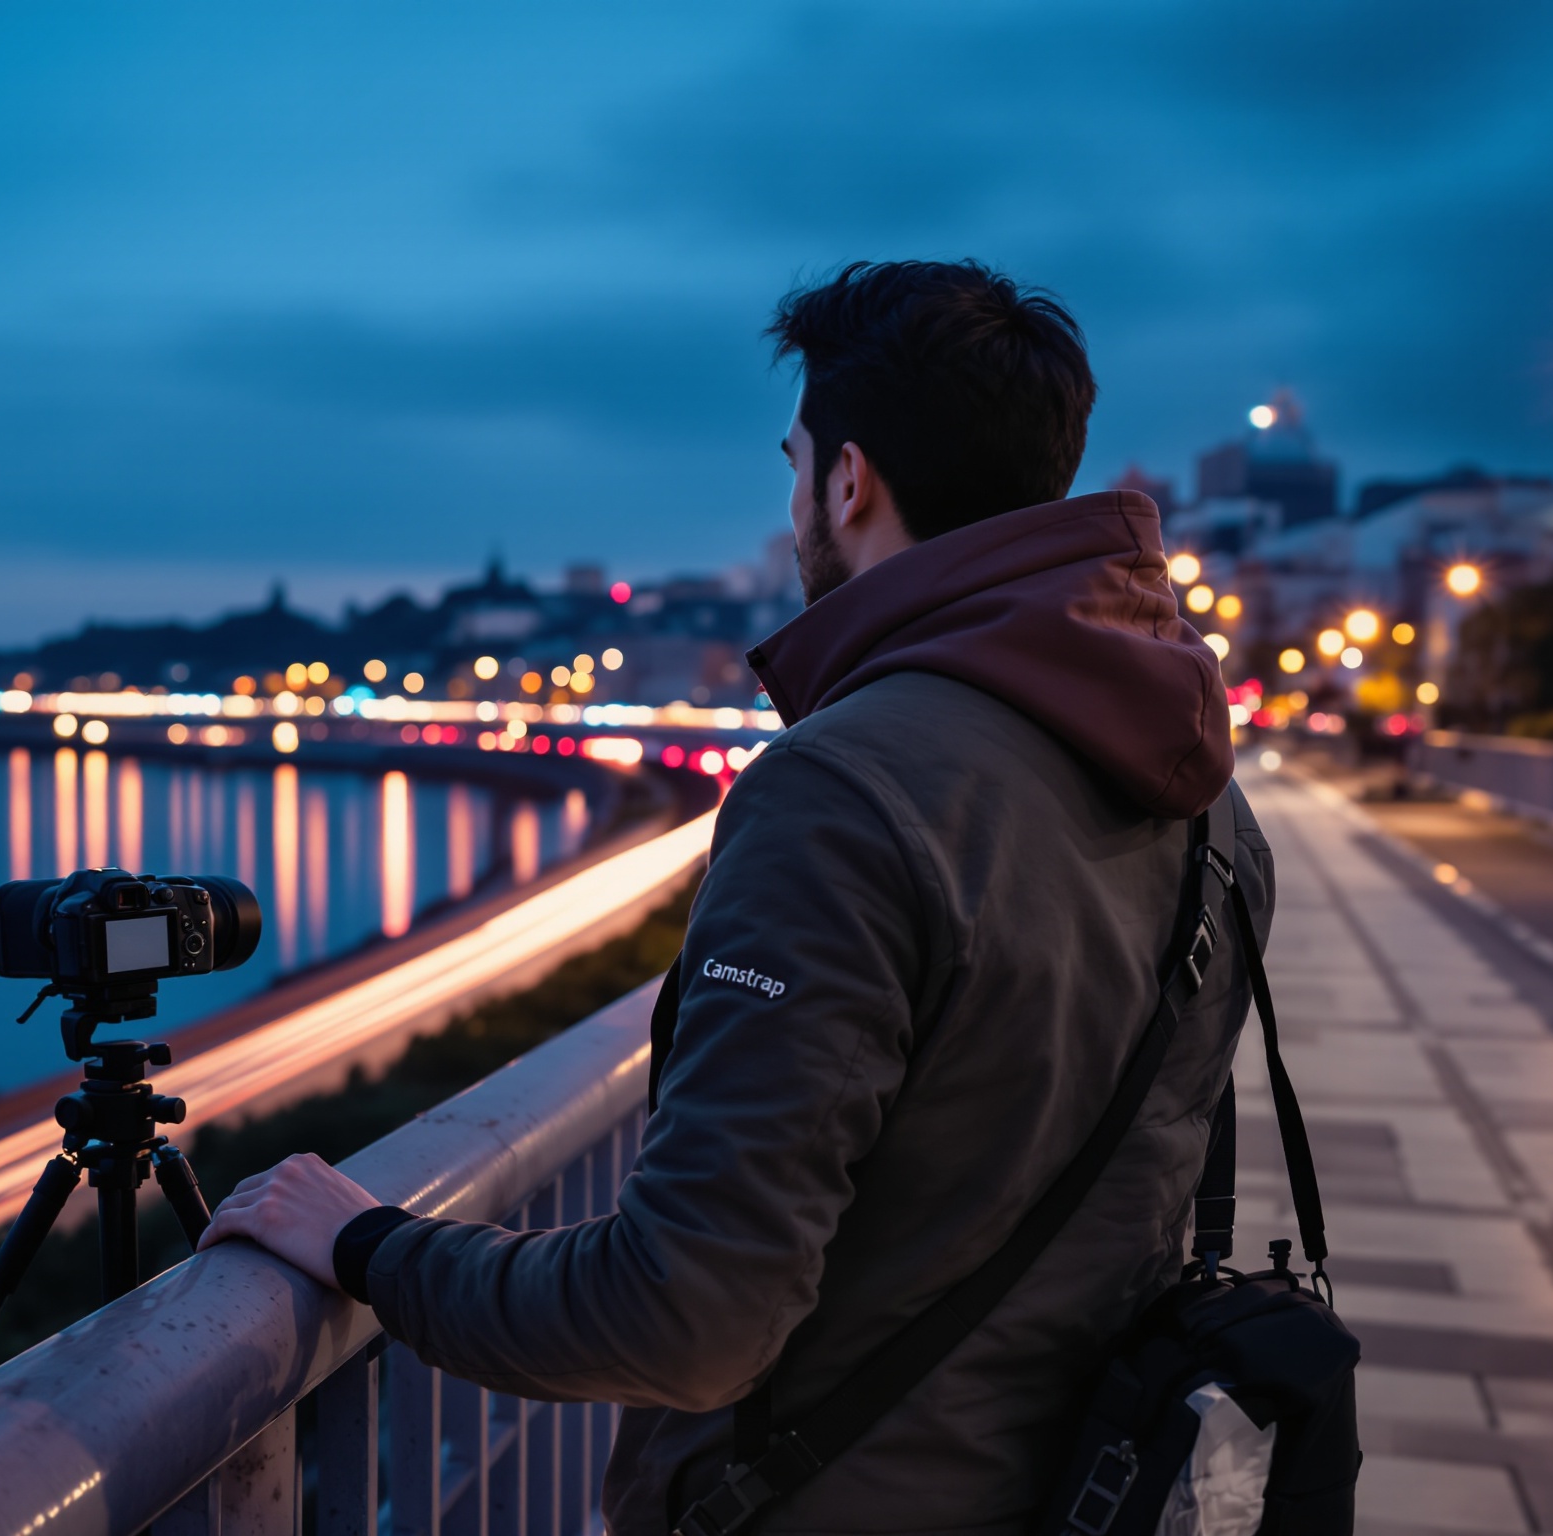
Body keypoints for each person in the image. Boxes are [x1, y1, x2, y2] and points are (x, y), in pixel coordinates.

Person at [200, 260, 1270, 1536]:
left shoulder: (844, 789)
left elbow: (682, 1317)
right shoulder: (1205, 798)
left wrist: (372, 1249)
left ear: (848, 481)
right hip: (1092, 1489)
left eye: (795, 460)